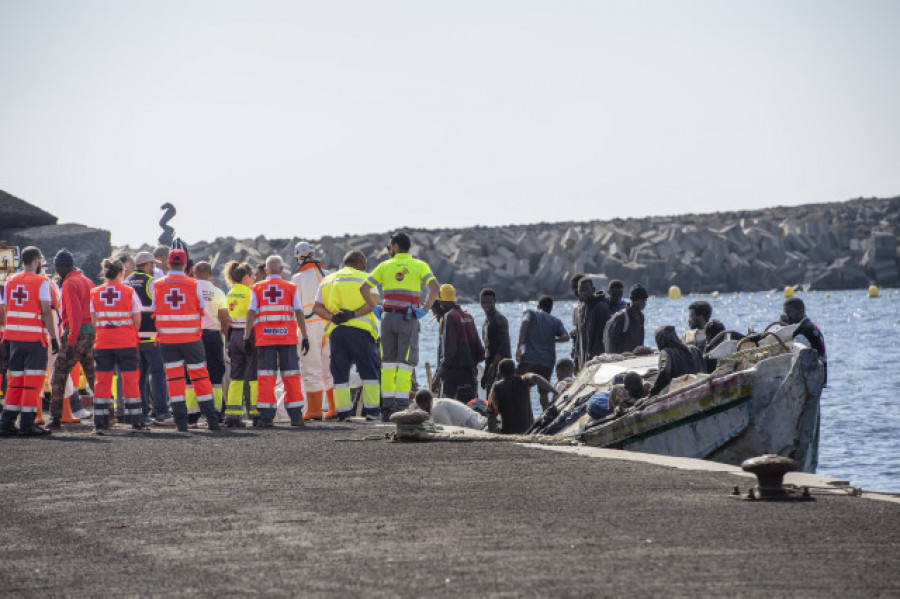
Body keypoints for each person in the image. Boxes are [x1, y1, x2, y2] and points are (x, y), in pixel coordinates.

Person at [360, 232, 440, 418]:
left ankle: (387, 408)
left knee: (387, 363)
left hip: (387, 317)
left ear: (396, 246)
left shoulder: (384, 265)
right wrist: (425, 309)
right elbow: (435, 287)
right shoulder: (419, 265)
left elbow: (364, 288)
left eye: (390, 245)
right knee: (405, 363)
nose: (388, 248)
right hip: (408, 319)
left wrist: (375, 308)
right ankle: (402, 407)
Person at [152, 248, 221, 431]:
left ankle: (181, 423)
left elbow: (154, 309)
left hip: (167, 341)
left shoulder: (157, 284)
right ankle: (212, 420)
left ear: (168, 263)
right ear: (185, 264)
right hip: (191, 340)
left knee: (174, 380)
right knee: (200, 377)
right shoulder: (194, 284)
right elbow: (201, 307)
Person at [314, 250, 380, 421]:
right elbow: (374, 303)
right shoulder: (367, 278)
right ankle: (372, 412)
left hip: (337, 332)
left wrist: (333, 317)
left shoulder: (328, 280)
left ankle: (343, 413)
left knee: (340, 373)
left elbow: (317, 307)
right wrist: (353, 314)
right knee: (369, 372)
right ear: (359, 263)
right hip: (361, 331)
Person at [244, 255, 310, 427]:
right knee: (291, 377)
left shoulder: (257, 288)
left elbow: (251, 312)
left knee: (266, 377)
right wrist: (305, 336)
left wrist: (246, 336)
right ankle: (296, 416)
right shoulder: (291, 287)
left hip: (265, 339)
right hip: (287, 338)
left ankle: (266, 417)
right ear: (282, 270)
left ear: (266, 271)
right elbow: (299, 312)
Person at [0, 246, 59, 436]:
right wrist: (54, 337)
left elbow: (8, 308)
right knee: (32, 383)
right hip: (34, 340)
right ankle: (27, 424)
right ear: (36, 262)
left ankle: (6, 422)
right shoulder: (41, 282)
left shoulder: (10, 281)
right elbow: (46, 312)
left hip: (14, 339)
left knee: (15, 382)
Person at [89, 258, 145, 432]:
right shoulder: (129, 292)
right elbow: (137, 320)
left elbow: (94, 320)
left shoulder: (95, 293)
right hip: (126, 342)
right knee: (130, 381)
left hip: (103, 342)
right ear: (121, 273)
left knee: (102, 382)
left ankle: (100, 422)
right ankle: (136, 422)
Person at [48, 249, 96, 429]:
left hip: (75, 334)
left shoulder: (69, 284)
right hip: (90, 332)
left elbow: (74, 316)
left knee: (58, 377)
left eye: (57, 267)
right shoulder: (88, 281)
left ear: (62, 266)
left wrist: (70, 343)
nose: (56, 271)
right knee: (93, 376)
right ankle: (106, 414)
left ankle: (54, 419)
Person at [290, 241, 335, 421]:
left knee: (310, 367)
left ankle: (315, 410)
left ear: (300, 257)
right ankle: (333, 408)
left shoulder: (298, 279)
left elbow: (295, 308)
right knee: (330, 368)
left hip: (308, 326)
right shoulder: (329, 275)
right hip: (329, 325)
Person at [125, 251, 171, 425]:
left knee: (140, 376)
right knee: (158, 373)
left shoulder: (126, 282)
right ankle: (162, 413)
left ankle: (142, 413)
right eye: (152, 264)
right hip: (151, 336)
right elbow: (158, 307)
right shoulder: (152, 282)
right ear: (147, 265)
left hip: (133, 337)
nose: (153, 268)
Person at [515, 295, 569, 410]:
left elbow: (525, 321)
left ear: (538, 306)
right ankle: (545, 416)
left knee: (523, 390)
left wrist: (519, 345)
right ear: (551, 308)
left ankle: (526, 418)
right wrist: (553, 340)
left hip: (529, 359)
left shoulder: (531, 313)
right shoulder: (556, 321)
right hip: (547, 362)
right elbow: (566, 337)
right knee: (543, 394)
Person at [432, 284, 484, 400]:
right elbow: (479, 349)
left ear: (443, 302)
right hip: (469, 373)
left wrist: (437, 377)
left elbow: (449, 352)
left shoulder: (449, 317)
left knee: (450, 409)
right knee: (469, 408)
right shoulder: (469, 316)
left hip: (453, 374)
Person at [222, 262, 259, 427]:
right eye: (252, 277)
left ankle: (233, 414)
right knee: (253, 376)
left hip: (233, 336)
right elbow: (255, 315)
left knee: (236, 376)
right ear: (246, 277)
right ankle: (255, 412)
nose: (253, 280)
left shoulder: (230, 293)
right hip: (248, 335)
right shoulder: (251, 293)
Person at [486, 359, 557, 434]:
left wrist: (494, 433)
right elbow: (535, 378)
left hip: (507, 431)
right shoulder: (523, 380)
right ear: (516, 370)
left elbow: (491, 413)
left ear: (500, 374)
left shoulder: (496, 387)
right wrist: (554, 391)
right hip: (528, 430)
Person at [194, 261, 229, 414]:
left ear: (194, 273)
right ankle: (216, 410)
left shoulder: (190, 289)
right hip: (213, 335)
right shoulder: (218, 292)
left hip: (193, 335)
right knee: (215, 372)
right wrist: (227, 337)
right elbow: (224, 318)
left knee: (194, 372)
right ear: (210, 274)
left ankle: (192, 413)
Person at [648, 325, 705, 397]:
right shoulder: (694, 349)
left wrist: (653, 392)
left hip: (680, 393)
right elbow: (704, 369)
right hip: (701, 387)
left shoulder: (666, 352)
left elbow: (665, 372)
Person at [782, 297, 827, 383]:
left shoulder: (803, 333)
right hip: (820, 376)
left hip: (811, 379)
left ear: (801, 311)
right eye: (785, 313)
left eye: (789, 312)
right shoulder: (810, 326)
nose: (786, 316)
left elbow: (796, 357)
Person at [572, 277, 611, 370]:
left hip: (597, 361)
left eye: (586, 290)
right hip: (583, 361)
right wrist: (576, 360)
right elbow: (578, 337)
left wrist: (594, 359)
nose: (583, 293)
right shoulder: (581, 309)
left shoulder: (601, 308)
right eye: (580, 291)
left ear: (593, 290)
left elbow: (603, 337)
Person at [479, 288, 510, 392]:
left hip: (502, 368)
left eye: (489, 302)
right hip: (491, 364)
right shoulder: (487, 321)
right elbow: (488, 348)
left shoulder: (499, 319)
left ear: (495, 301)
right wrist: (486, 371)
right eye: (483, 302)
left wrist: (492, 368)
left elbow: (504, 346)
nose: (486, 305)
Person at [603, 283, 648, 355]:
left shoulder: (641, 317)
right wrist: (613, 358)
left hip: (634, 358)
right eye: (642, 301)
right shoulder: (622, 317)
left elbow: (640, 340)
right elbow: (611, 341)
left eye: (645, 301)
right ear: (634, 300)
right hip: (621, 360)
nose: (644, 303)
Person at [414, 389, 486, 430]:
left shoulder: (436, 409)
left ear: (424, 404)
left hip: (478, 427)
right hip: (479, 421)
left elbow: (449, 430)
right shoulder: (436, 402)